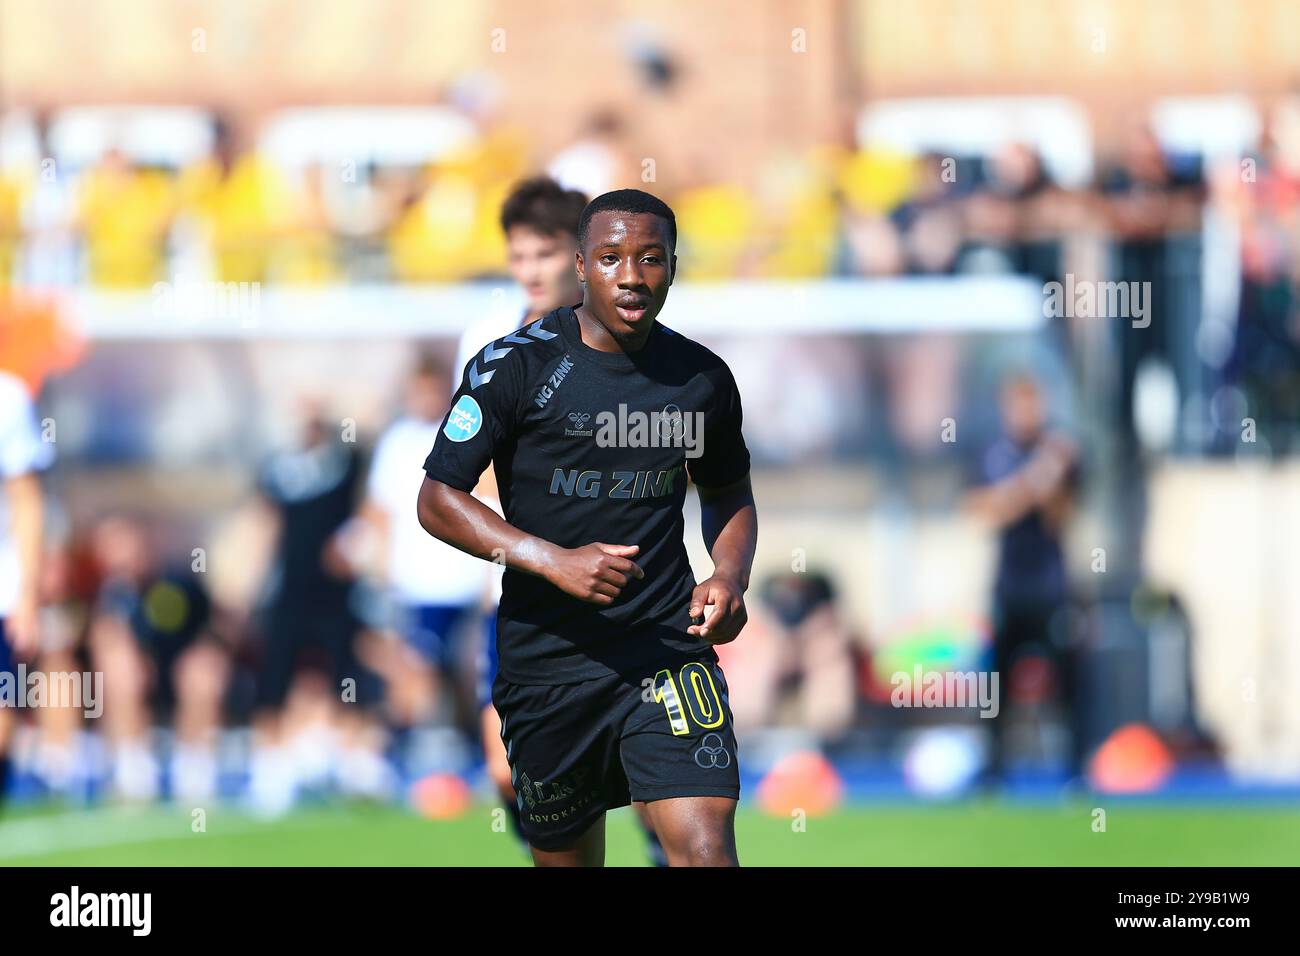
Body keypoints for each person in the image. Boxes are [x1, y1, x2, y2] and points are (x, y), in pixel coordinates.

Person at [419, 189, 758, 866]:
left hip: (666, 652)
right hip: (547, 667)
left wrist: (728, 574)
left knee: (705, 850)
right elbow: (437, 498)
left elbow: (727, 490)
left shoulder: (702, 379)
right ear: (582, 266)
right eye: (610, 258)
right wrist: (551, 560)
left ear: (672, 266)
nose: (631, 276)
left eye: (651, 259)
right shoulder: (512, 366)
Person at [964, 373, 1081, 784]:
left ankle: (1074, 771)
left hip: (1051, 585)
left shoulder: (1061, 454)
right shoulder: (993, 454)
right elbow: (983, 509)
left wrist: (1051, 481)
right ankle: (995, 770)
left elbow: (1062, 516)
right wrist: (1033, 482)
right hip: (1009, 586)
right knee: (997, 684)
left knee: (1066, 678)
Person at [0, 370, 51, 811]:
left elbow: (27, 500)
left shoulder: (8, 397)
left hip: (1, 587)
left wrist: (28, 595)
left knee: (3, 709)